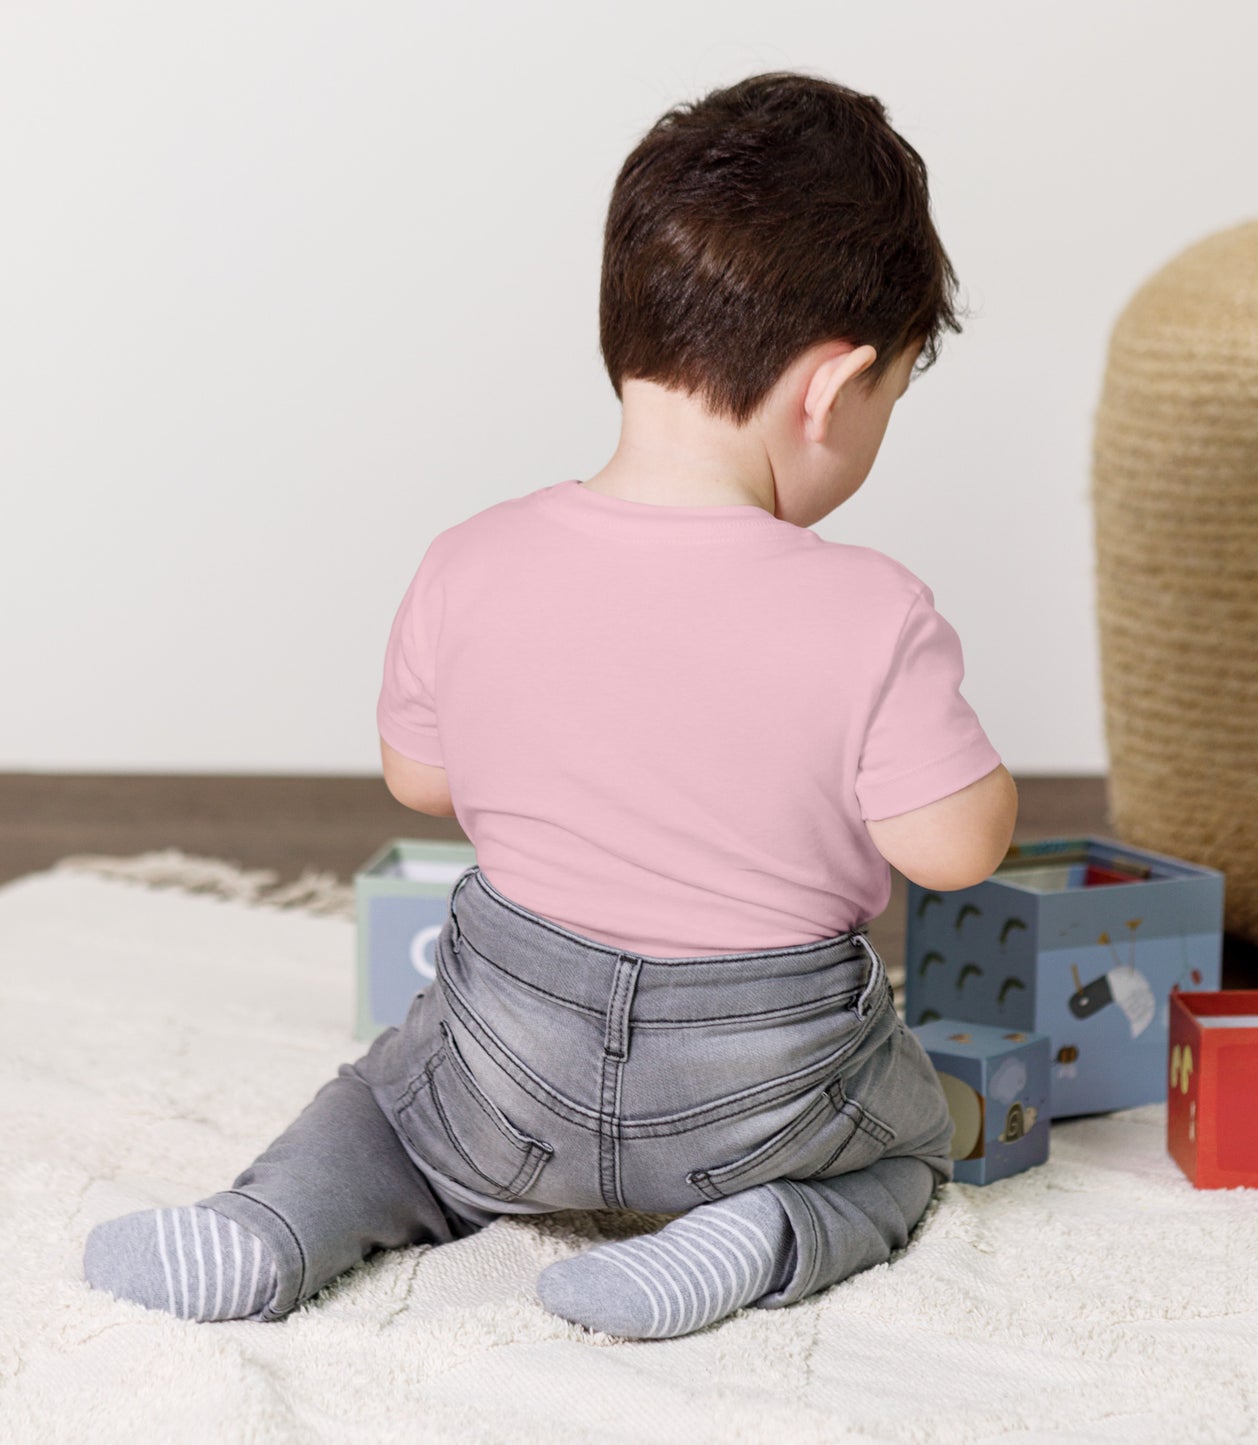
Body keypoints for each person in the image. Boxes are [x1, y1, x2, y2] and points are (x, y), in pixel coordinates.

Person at [82, 69, 1018, 1341]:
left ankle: (273, 1224)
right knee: (907, 1141)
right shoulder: (871, 608)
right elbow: (955, 848)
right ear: (830, 388)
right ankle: (760, 1229)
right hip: (757, 1092)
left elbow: (418, 778)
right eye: (890, 400)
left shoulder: (473, 557)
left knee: (383, 1108)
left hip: (502, 1065)